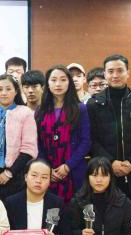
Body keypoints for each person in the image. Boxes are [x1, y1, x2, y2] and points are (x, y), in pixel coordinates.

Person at [88, 54, 131, 205]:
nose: (115, 75)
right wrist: (111, 163)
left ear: (128, 73)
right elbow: (91, 140)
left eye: (120, 70)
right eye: (110, 71)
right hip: (105, 174)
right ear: (105, 74)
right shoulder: (94, 104)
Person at [35, 65, 91, 202]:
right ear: (47, 83)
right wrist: (47, 167)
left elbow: (86, 141)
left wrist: (68, 166)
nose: (58, 84)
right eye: (53, 80)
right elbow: (37, 143)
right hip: (47, 172)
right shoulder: (40, 110)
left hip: (74, 170)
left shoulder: (80, 108)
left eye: (63, 80)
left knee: (74, 209)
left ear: (69, 83)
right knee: (50, 209)